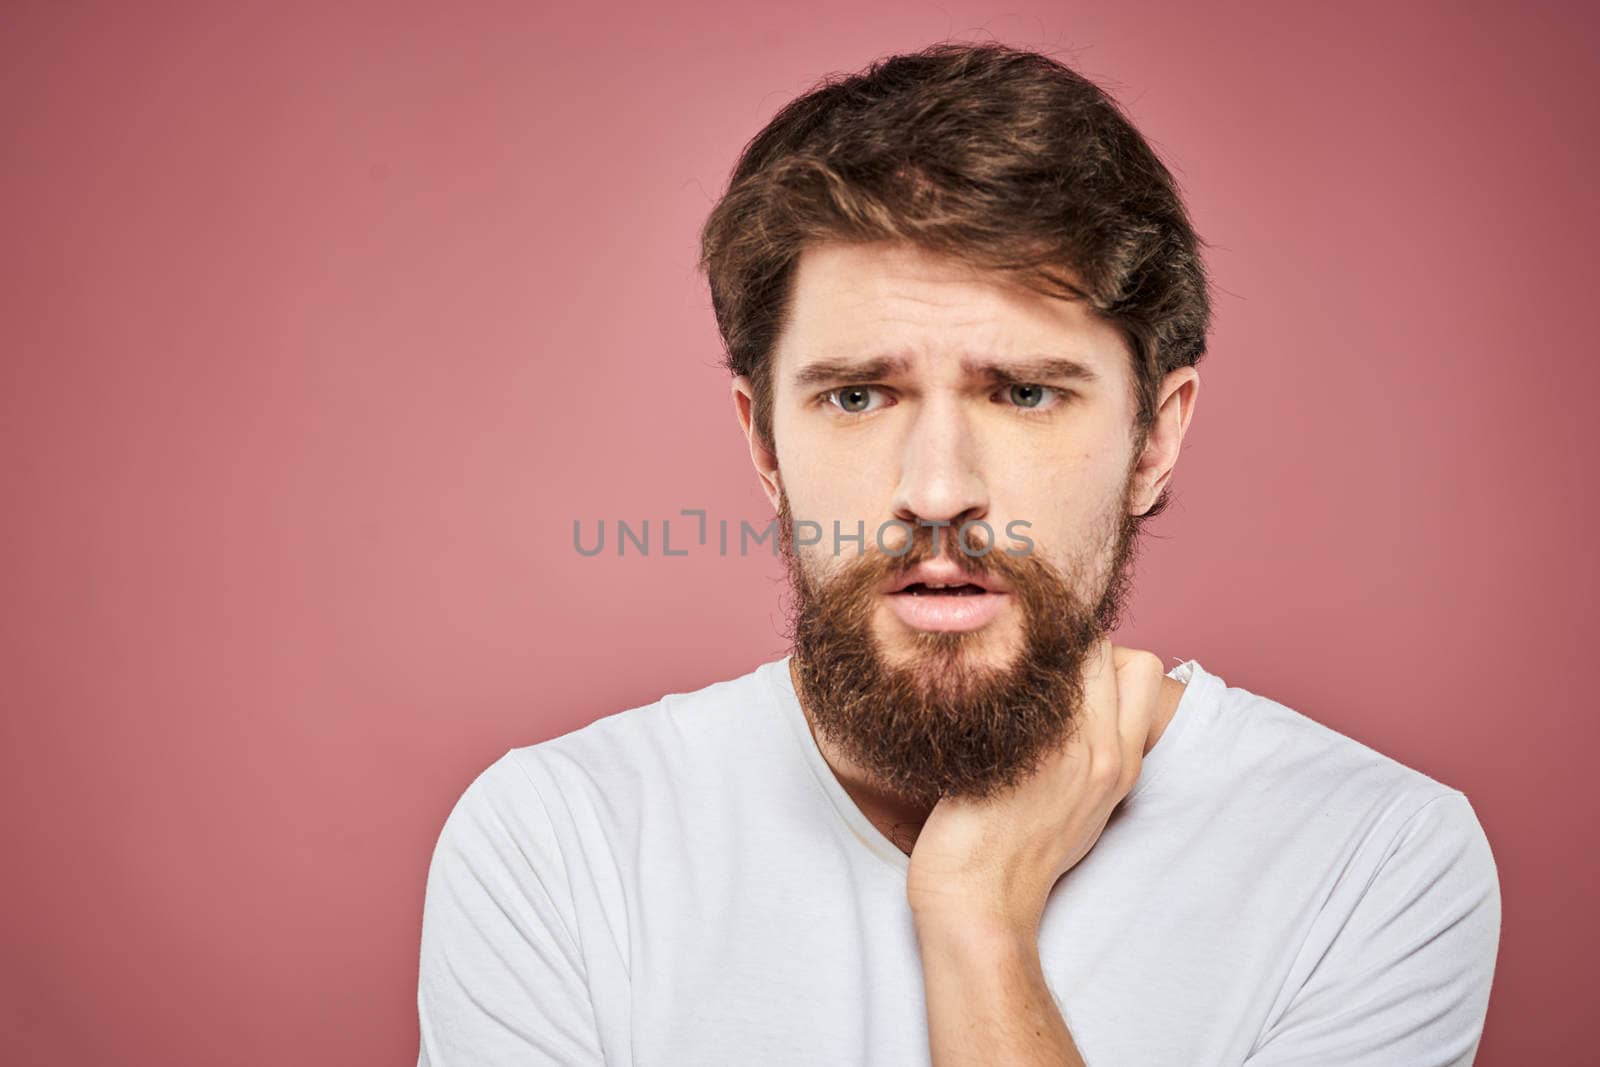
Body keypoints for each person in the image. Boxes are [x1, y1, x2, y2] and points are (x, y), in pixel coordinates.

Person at [416, 42, 1500, 1065]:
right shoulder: (555, 843)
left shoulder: (1372, 860)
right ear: (762, 443)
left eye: (1024, 392)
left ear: (1153, 439)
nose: (936, 492)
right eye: (856, 394)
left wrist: (978, 923)